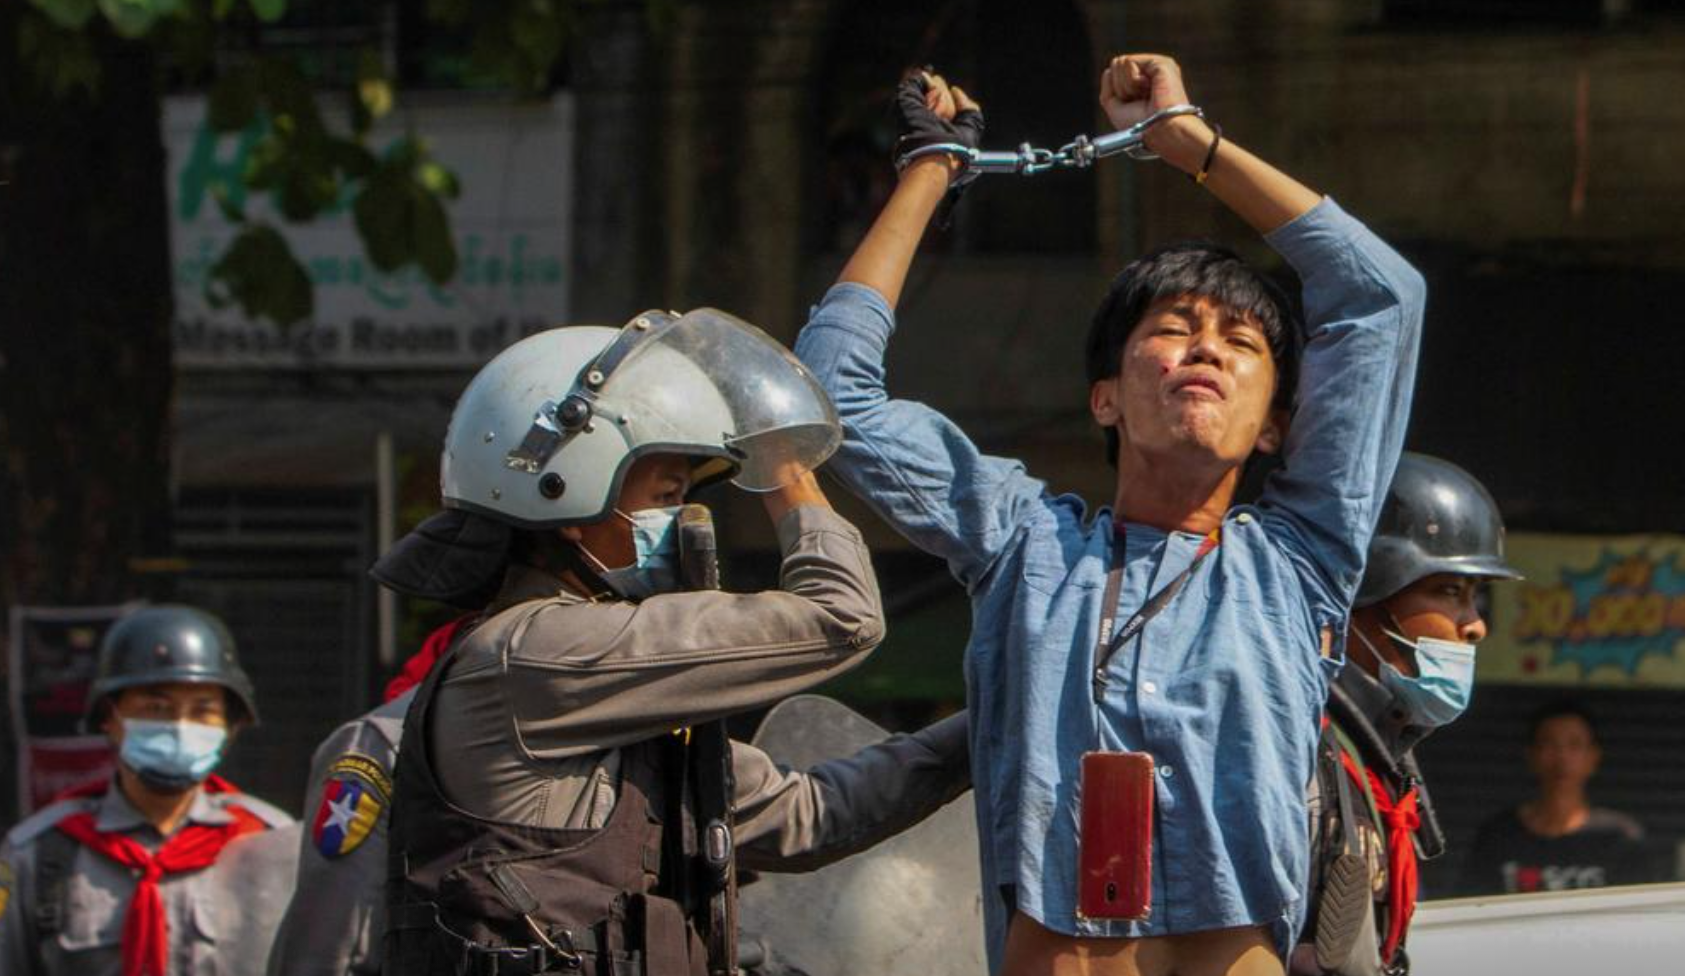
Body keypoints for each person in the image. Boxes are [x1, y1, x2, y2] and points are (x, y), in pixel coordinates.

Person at [795, 55, 1424, 976]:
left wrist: (1191, 146)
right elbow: (834, 398)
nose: (1205, 345)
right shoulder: (1023, 542)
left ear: (1275, 430)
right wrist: (931, 168)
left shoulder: (1299, 561)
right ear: (1104, 399)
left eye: (1240, 340)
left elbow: (1379, 298)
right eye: (1170, 329)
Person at [383, 308, 972, 975]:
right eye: (666, 493)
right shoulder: (538, 654)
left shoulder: (610, 693)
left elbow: (811, 813)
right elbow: (840, 616)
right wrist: (788, 473)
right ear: (569, 497)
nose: (683, 520)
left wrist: (997, 721)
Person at [1294, 454, 1522, 976]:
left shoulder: (1378, 752)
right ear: (1368, 594)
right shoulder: (1297, 750)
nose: (1474, 626)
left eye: (1475, 598)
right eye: (1448, 592)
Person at [0, 605, 294, 976]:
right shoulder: (38, 854)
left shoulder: (272, 843)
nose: (179, 726)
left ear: (230, 726)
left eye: (202, 711)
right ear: (110, 717)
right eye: (156, 708)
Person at [1456, 699, 1653, 896]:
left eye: (1574, 745)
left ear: (1593, 757)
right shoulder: (1497, 835)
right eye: (1549, 744)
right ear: (1531, 755)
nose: (1562, 757)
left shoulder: (1621, 837)